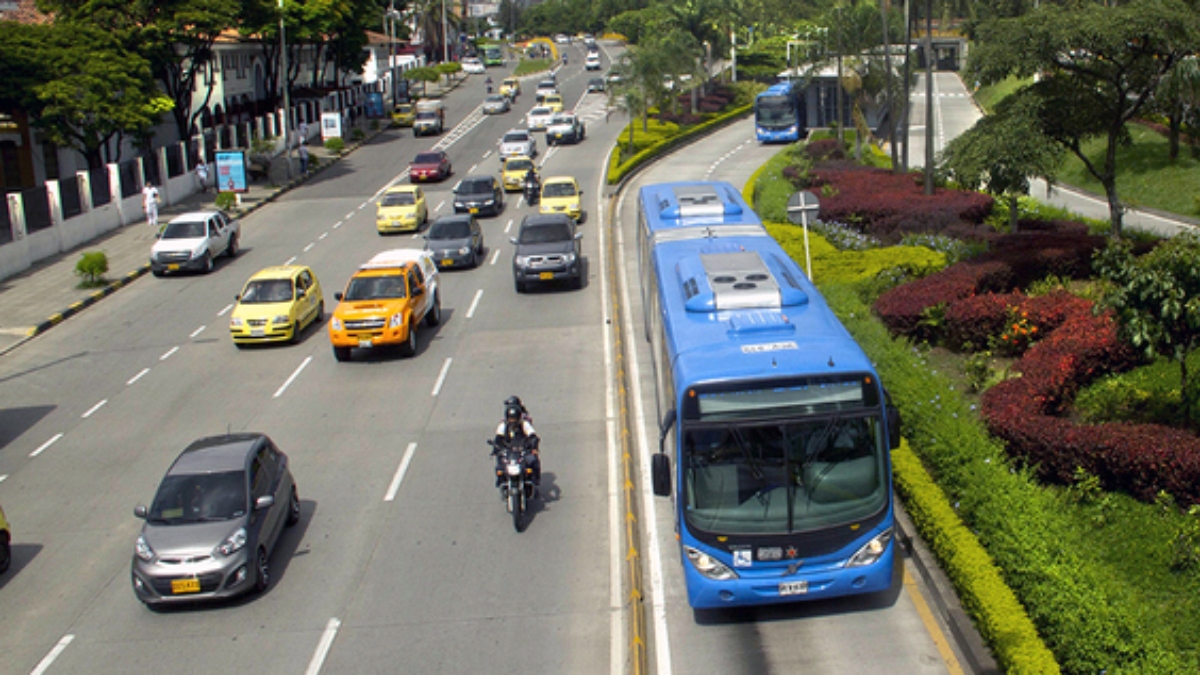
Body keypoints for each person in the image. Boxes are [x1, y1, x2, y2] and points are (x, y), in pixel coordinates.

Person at [493, 403, 540, 489]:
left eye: (514, 418)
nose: (512, 421)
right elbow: (498, 439)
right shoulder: (503, 426)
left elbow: (533, 437)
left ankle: (534, 481)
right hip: (508, 452)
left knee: (533, 460)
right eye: (510, 418)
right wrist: (496, 449)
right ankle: (502, 481)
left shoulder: (524, 424)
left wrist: (533, 447)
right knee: (499, 467)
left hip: (522, 450)